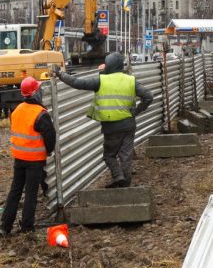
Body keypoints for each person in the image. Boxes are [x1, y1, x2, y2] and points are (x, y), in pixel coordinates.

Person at [52, 52, 153, 188]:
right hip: (129, 124)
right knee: (126, 156)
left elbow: (77, 83)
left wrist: (60, 74)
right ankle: (126, 185)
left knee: (109, 155)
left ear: (109, 65)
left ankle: (118, 177)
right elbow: (148, 96)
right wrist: (136, 111)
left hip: (111, 127)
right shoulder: (131, 80)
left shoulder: (101, 80)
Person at [0, 76, 56, 237]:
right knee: (31, 193)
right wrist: (48, 151)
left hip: (19, 158)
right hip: (35, 160)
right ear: (36, 93)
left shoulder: (16, 110)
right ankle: (27, 227)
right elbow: (50, 136)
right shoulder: (41, 114)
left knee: (15, 191)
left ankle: (5, 226)